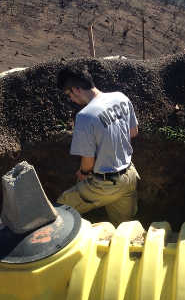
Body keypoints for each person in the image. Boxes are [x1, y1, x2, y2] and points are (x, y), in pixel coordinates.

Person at [56, 65, 140, 226]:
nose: (71, 100)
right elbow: (133, 132)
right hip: (129, 176)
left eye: (69, 95)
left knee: (61, 210)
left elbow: (88, 161)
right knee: (123, 227)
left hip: (105, 184)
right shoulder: (120, 97)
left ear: (76, 89)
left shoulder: (85, 116)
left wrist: (83, 172)